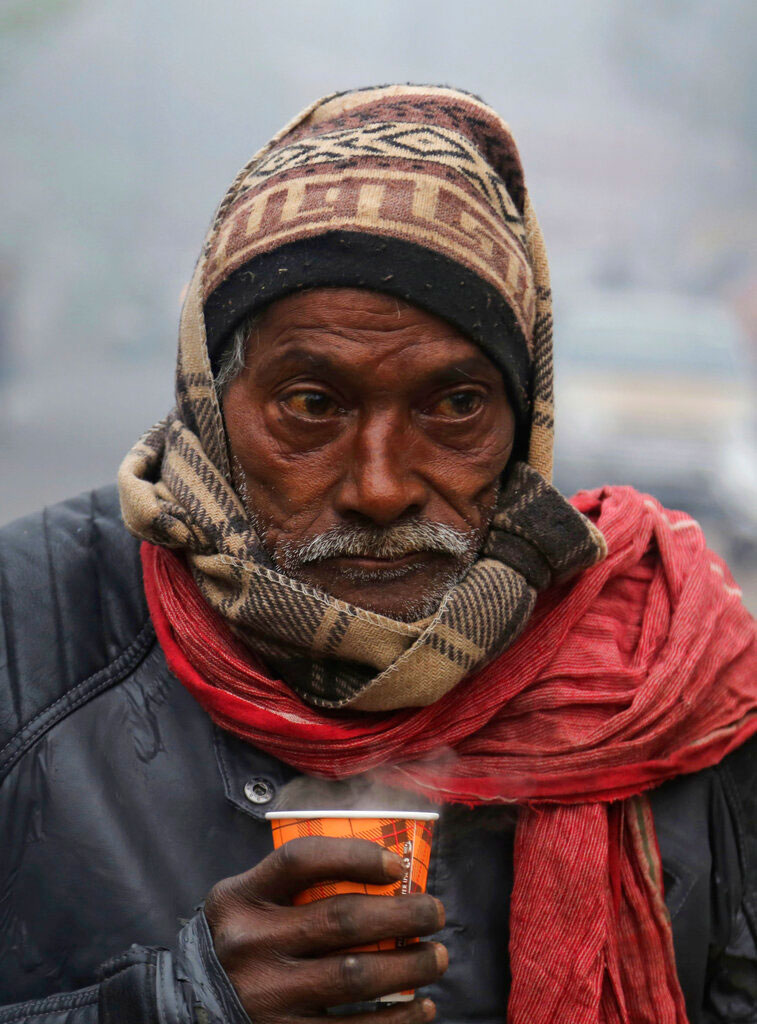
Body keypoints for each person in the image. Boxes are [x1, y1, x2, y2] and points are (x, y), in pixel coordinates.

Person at [0, 85, 755, 1024]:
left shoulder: (662, 673)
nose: (381, 485)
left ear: (525, 427)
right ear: (210, 409)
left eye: (455, 407)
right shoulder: (34, 631)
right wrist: (180, 1004)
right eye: (312, 405)